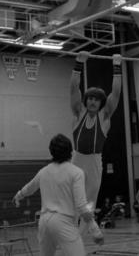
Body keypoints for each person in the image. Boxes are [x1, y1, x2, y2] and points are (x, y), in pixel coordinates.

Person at [12, 134, 95, 256]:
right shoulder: (76, 172)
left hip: (44, 222)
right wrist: (95, 229)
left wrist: (18, 196)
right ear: (70, 151)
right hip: (64, 222)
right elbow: (81, 206)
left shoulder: (44, 171)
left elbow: (29, 188)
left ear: (52, 152)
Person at [70, 51, 122, 234]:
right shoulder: (78, 112)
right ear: (86, 100)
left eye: (96, 99)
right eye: (90, 98)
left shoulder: (105, 116)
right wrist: (78, 63)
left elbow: (115, 93)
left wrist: (117, 67)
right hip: (76, 160)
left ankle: (79, 239)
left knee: (89, 204)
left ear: (101, 103)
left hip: (94, 162)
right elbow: (73, 88)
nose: (92, 102)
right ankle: (69, 235)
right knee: (73, 202)